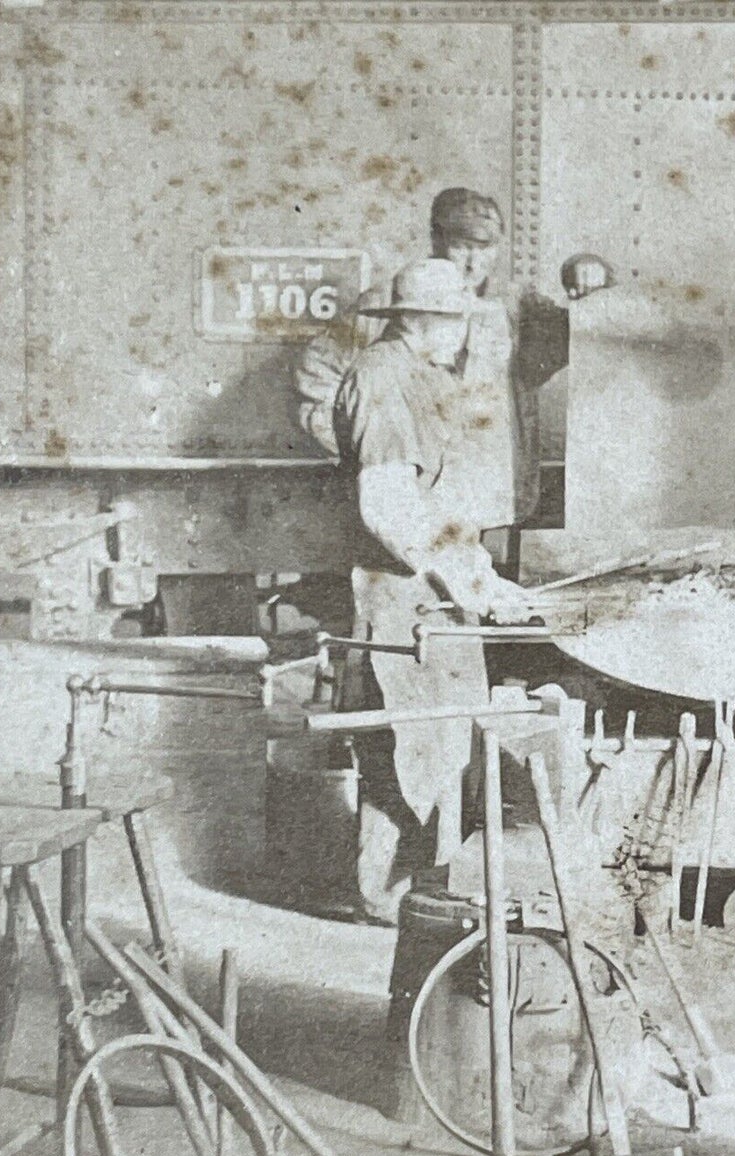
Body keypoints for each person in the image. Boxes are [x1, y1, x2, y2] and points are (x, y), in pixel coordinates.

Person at [333, 258, 531, 925]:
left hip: (433, 594)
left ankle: (419, 890)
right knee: (405, 745)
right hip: (399, 597)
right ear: (421, 319)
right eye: (455, 321)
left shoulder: (422, 376)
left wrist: (480, 574)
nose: (463, 335)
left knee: (442, 742)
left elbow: (435, 498)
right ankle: (389, 902)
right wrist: (458, 575)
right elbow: (387, 506)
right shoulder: (382, 378)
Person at [294, 188, 512, 458]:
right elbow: (318, 379)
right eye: (462, 247)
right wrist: (363, 454)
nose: (473, 263)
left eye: (484, 249)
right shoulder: (389, 303)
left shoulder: (507, 313)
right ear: (436, 240)